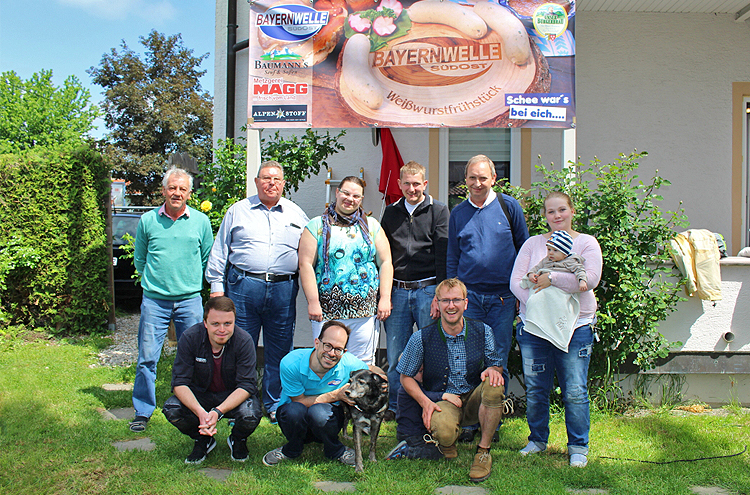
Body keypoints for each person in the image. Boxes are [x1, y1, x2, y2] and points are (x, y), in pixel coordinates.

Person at [205, 160, 309, 422]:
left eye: (276, 179)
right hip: (243, 287)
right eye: (265, 178)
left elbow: (309, 254)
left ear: (284, 183)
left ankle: (274, 404)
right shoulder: (238, 211)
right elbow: (220, 251)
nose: (271, 183)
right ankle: (238, 404)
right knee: (240, 347)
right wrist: (217, 288)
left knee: (280, 350)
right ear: (256, 182)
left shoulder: (297, 214)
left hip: (283, 288)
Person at [510, 191, 602, 468]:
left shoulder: (586, 243)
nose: (557, 216)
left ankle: (578, 446)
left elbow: (590, 280)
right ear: (544, 217)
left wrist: (551, 278)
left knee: (574, 389)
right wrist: (540, 308)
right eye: (551, 212)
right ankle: (537, 439)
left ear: (572, 211)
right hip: (535, 329)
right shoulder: (532, 244)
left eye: (562, 209)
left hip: (576, 327)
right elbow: (516, 281)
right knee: (537, 388)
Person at [445, 154, 529, 442]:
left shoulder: (509, 207)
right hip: (471, 301)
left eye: (483, 177)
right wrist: (454, 294)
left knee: (496, 360)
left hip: (503, 300)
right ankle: (469, 423)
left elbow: (524, 250)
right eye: (472, 178)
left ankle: (490, 424)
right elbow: (453, 256)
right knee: (468, 360)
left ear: (494, 179)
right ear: (465, 180)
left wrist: (520, 292)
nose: (477, 183)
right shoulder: (458, 213)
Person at [395, 278, 505, 483]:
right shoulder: (421, 338)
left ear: (466, 303)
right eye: (445, 300)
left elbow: (496, 363)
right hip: (444, 401)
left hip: (474, 398)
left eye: (456, 300)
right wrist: (426, 402)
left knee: (494, 383)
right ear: (436, 303)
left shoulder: (483, 331)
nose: (451, 306)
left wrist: (493, 369)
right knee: (444, 433)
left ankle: (483, 451)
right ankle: (447, 442)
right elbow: (405, 376)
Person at [130, 166, 214, 433]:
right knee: (147, 357)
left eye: (182, 189)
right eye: (172, 188)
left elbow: (206, 259)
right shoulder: (148, 221)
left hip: (189, 300)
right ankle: (143, 410)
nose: (176, 193)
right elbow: (140, 259)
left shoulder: (200, 222)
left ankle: (192, 405)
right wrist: (156, 283)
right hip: (155, 301)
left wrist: (189, 283)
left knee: (195, 357)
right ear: (163, 190)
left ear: (189, 193)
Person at [262, 320, 387, 467]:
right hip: (294, 419)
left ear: (344, 352)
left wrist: (383, 380)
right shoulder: (291, 363)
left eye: (338, 349)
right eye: (327, 345)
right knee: (294, 410)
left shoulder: (348, 363)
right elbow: (298, 400)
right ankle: (291, 449)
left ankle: (335, 450)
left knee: (319, 412)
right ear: (316, 343)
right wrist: (335, 395)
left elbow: (369, 369)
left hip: (325, 420)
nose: (331, 353)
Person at [298, 176, 393, 364]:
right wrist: (313, 302)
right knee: (326, 362)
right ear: (337, 192)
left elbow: (386, 262)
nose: (350, 199)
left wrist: (385, 298)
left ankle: (359, 395)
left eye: (356, 196)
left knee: (363, 363)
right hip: (326, 311)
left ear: (362, 199)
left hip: (364, 312)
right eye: (346, 193)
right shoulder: (316, 226)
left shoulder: (372, 226)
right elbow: (305, 265)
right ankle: (329, 395)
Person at [380, 160, 449, 417]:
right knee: (397, 352)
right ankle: (398, 407)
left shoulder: (439, 210)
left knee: (432, 350)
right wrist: (383, 294)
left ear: (425, 184)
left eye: (416, 183)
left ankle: (433, 403)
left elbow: (444, 254)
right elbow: (383, 254)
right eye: (406, 184)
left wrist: (440, 295)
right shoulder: (390, 212)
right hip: (397, 292)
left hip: (428, 290)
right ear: (399, 184)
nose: (412, 189)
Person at [163, 296, 262, 464]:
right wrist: (201, 413)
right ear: (205, 322)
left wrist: (218, 412)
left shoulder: (244, 340)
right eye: (215, 324)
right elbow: (179, 383)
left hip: (232, 396)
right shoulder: (190, 337)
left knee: (250, 414)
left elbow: (246, 385)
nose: (222, 329)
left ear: (234, 322)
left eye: (228, 324)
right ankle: (202, 439)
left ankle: (238, 439)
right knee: (172, 409)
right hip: (201, 395)